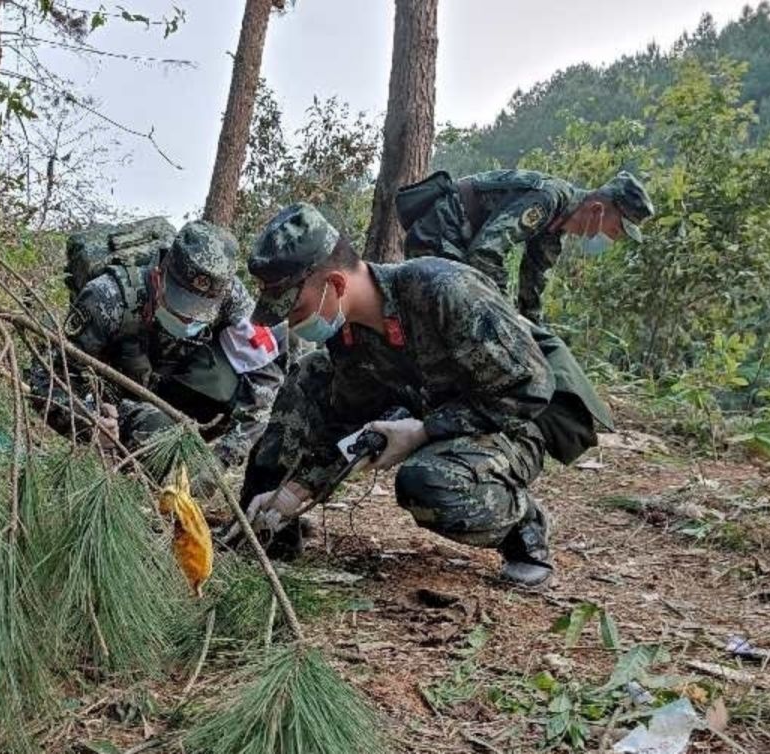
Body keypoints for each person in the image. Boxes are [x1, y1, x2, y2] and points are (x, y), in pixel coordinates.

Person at [237, 203, 612, 588]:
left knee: (427, 484)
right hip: (432, 412)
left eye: (295, 309)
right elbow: (346, 422)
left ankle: (524, 528)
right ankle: (265, 529)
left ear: (335, 285)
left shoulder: (444, 290)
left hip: (515, 422)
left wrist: (424, 432)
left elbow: (529, 389)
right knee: (311, 373)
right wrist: (294, 491)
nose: (293, 323)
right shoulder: (348, 337)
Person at [30, 219, 285, 473]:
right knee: (155, 426)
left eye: (201, 313)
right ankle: (134, 479)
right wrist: (90, 420)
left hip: (179, 386)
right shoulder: (107, 298)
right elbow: (45, 380)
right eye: (181, 305)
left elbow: (265, 379)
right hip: (119, 399)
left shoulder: (232, 298)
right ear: (158, 276)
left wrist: (222, 459)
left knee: (270, 388)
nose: (189, 319)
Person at [395, 169, 654, 321]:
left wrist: (534, 333)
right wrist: (505, 316)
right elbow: (485, 253)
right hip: (440, 233)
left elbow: (532, 289)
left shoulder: (554, 230)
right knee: (447, 316)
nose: (612, 238)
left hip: (459, 242)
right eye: (615, 229)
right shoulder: (547, 200)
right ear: (597, 209)